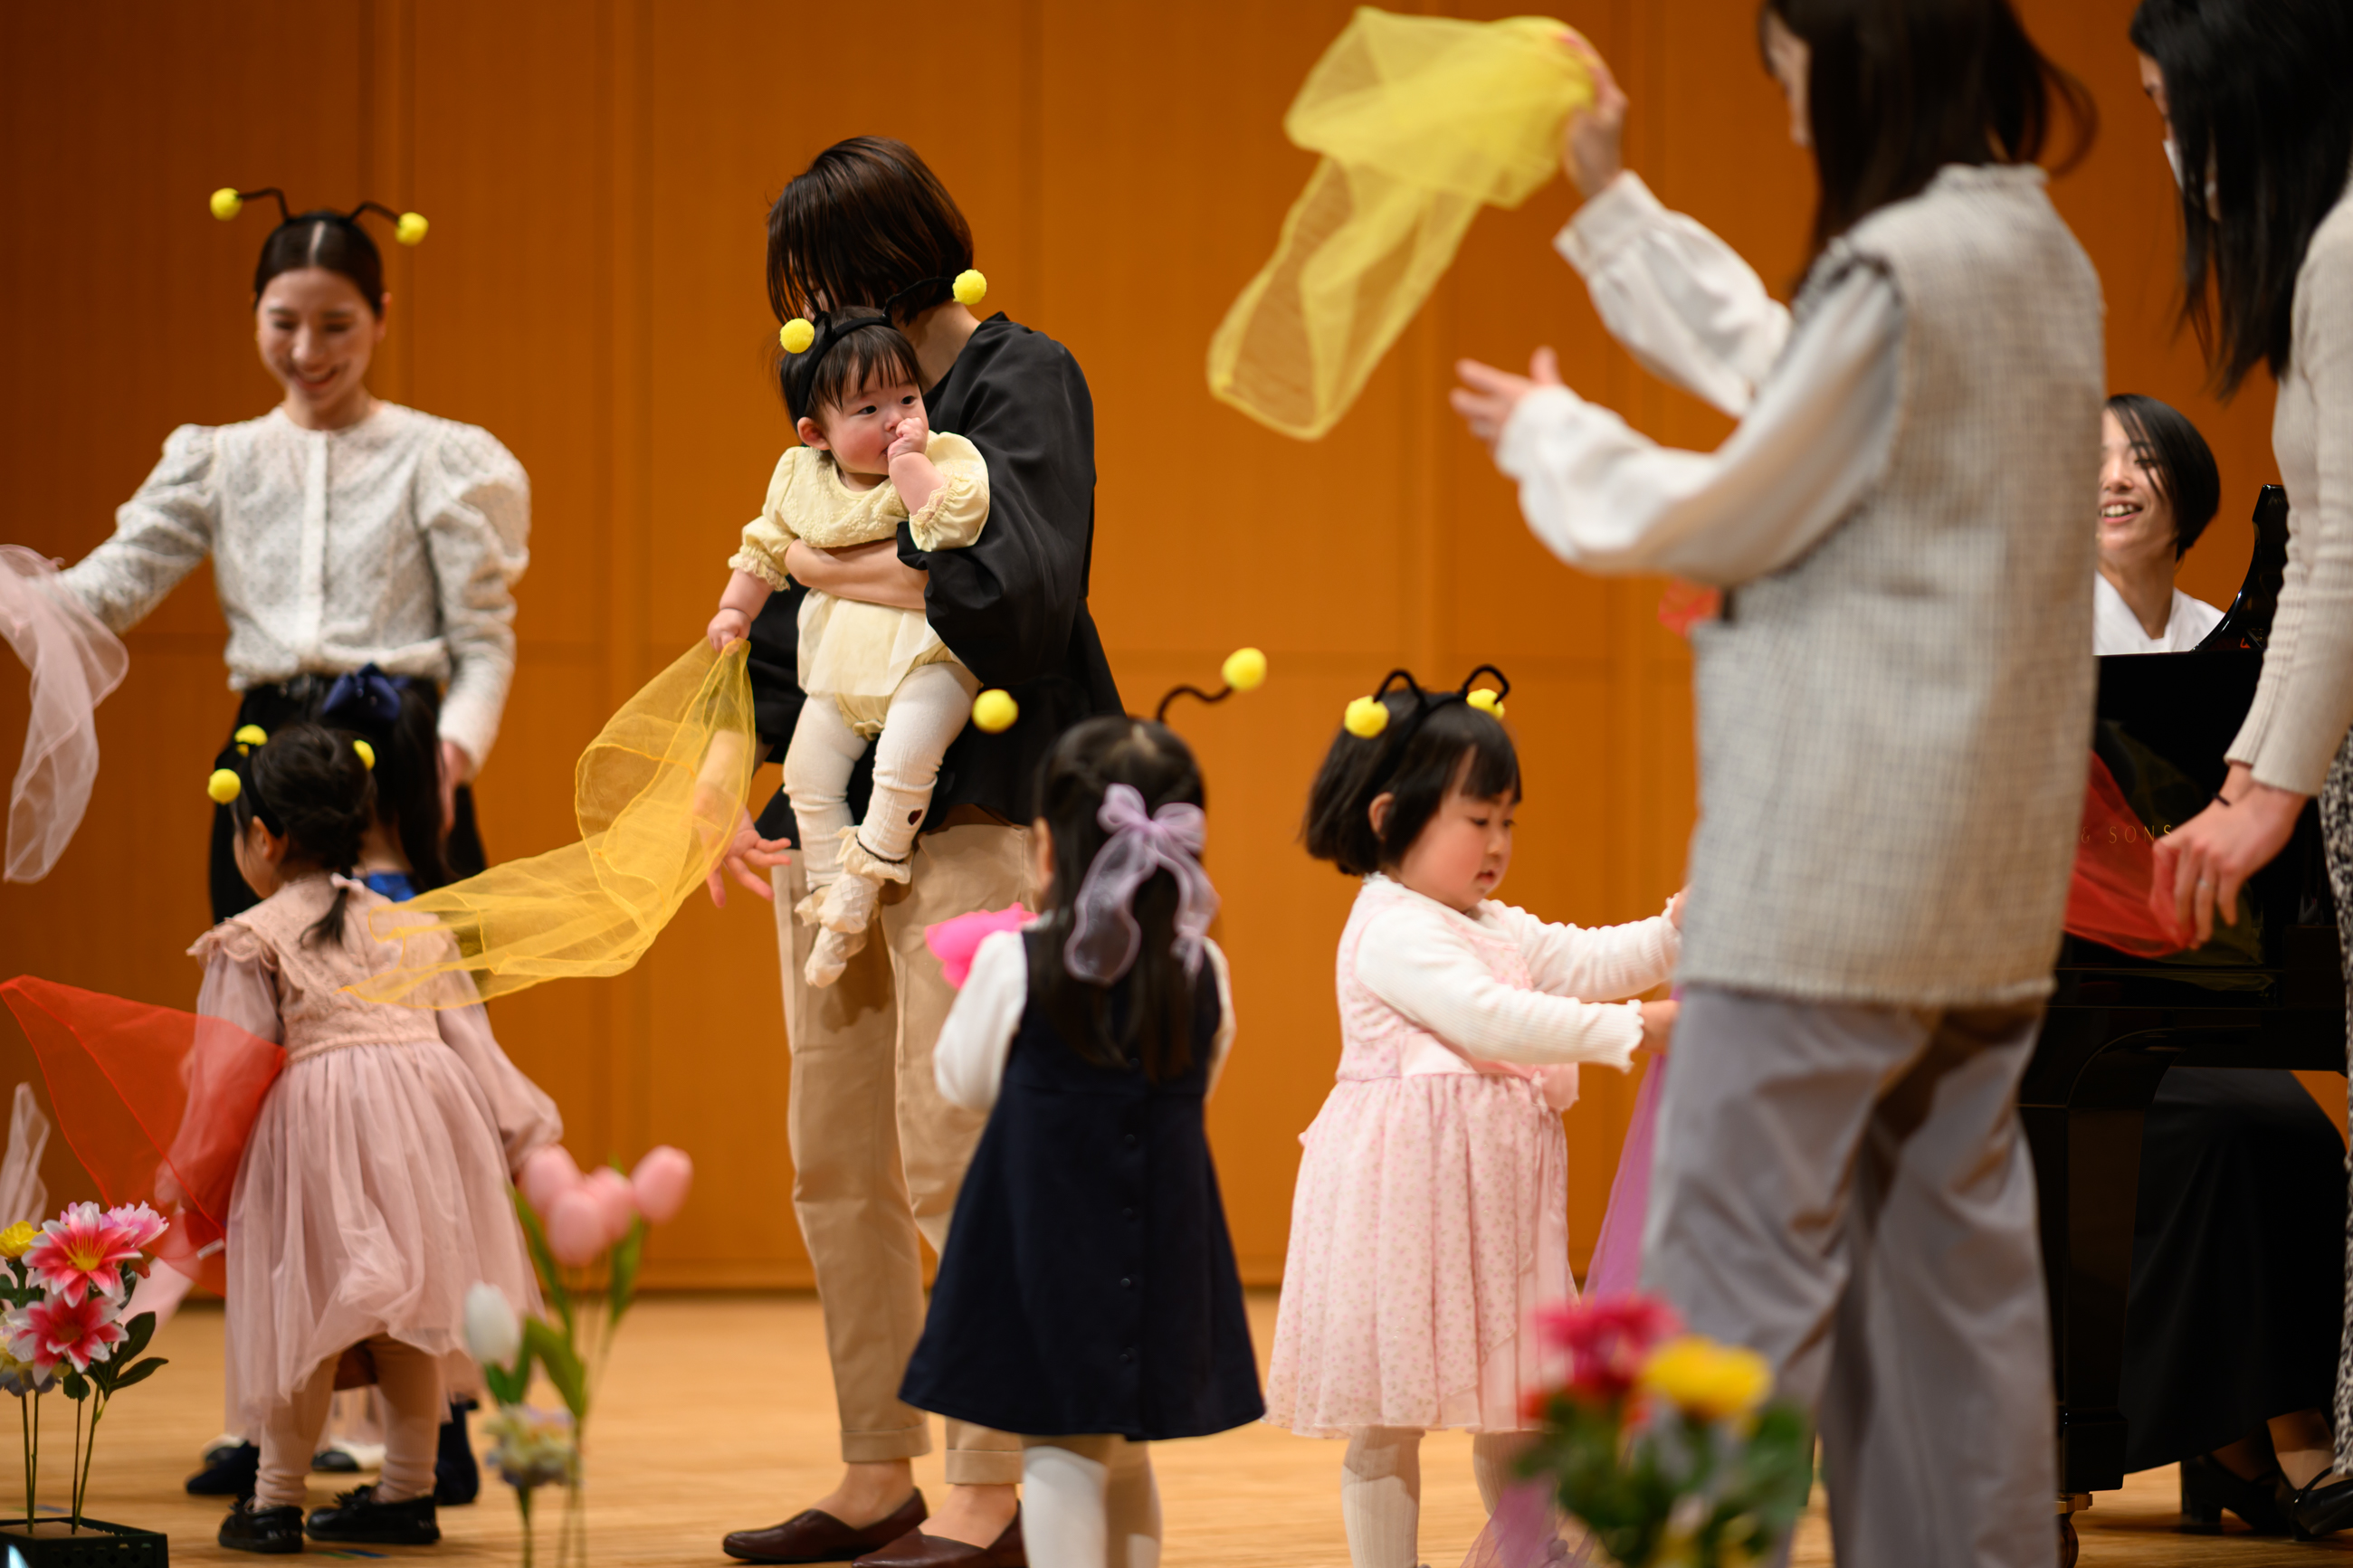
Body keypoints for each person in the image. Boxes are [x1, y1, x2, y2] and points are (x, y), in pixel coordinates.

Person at [1448, 3, 2101, 1562]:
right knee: (1953, 1340)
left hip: (1829, 886)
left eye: (1798, 80)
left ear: (1868, 62)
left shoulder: (1902, 266)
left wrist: (1560, 441)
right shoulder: (2039, 254)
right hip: (1986, 896)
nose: (1797, 119)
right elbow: (1804, 373)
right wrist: (1610, 204)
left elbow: (1744, 501)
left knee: (1713, 1316)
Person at [714, 138, 1119, 1568]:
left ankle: (990, 1488)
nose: (820, 322)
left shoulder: (1020, 378)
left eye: (827, 287)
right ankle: (875, 1466)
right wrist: (745, 792)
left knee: (961, 1154)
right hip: (832, 837)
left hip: (981, 817)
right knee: (834, 1160)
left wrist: (824, 558)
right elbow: (789, 634)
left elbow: (1015, 593)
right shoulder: (842, 397)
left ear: (890, 258)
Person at [1264, 670, 1678, 1568]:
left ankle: (1526, 1551)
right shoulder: (1390, 924)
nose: (1497, 843)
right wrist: (1634, 1027)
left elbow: (1585, 955)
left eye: (1507, 821)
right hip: (1401, 1208)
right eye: (1475, 819)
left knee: (1517, 1402)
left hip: (1494, 1209)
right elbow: (1490, 1017)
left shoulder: (1486, 919)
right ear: (1388, 818)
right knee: (1388, 1415)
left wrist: (1672, 933)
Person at [43, 190, 529, 921]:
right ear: (254, 314)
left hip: (399, 759)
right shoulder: (218, 459)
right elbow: (108, 591)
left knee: (423, 1005)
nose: (308, 351)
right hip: (266, 761)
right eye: (283, 324)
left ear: (382, 316)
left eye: (337, 325)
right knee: (262, 1002)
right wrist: (28, 598)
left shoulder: (441, 458)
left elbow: (483, 642)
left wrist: (452, 755)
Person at [2123, 0, 2353, 1536]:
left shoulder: (2339, 248)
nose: (2165, 148)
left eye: (2165, 108)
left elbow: (2342, 547)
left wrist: (2261, 784)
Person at [898, 714, 1260, 1568]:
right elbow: (1198, 1080)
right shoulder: (1202, 967)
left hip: (1042, 1250)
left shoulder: (1016, 962)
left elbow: (963, 1080)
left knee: (1059, 1454)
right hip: (1158, 1248)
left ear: (1049, 847)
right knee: (1125, 1453)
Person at [194, 723, 556, 1554]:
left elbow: (225, 1075)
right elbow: (474, 1042)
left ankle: (275, 1500)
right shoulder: (410, 924)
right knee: (410, 1313)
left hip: (317, 1136)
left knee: (309, 1313)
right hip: (427, 1134)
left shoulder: (252, 937)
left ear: (263, 836)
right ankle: (407, 1492)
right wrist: (518, 1134)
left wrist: (198, 1168)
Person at [710, 309, 989, 988]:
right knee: (806, 772)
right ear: (817, 435)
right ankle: (836, 892)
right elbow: (766, 545)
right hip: (839, 664)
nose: (897, 417)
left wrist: (912, 465)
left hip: (928, 656)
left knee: (905, 758)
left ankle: (866, 881)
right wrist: (733, 608)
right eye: (870, 408)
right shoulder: (801, 478)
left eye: (907, 398)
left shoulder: (943, 455)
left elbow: (955, 525)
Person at [2095, 393, 2224, 652]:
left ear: (2190, 488)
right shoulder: (2048, 637)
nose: (2115, 478)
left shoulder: (2220, 638)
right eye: (2095, 463)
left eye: (2144, 460)